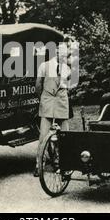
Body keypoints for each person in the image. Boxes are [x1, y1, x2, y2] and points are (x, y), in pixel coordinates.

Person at [33, 41, 73, 177]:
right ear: (55, 53)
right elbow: (38, 85)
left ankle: (64, 164)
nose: (62, 55)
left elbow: (69, 86)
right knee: (43, 135)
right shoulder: (44, 66)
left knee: (65, 135)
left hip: (62, 100)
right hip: (47, 99)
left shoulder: (67, 69)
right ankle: (39, 165)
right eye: (59, 52)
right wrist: (43, 98)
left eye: (64, 53)